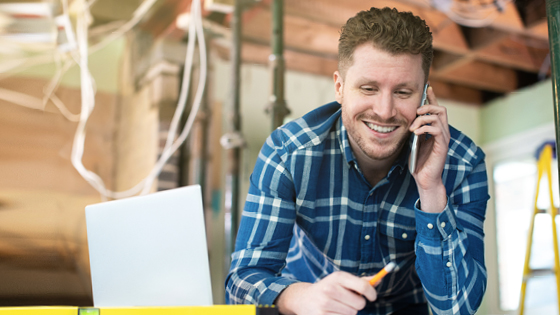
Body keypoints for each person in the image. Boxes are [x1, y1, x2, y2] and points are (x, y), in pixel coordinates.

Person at [226, 6, 489, 315]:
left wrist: (431, 189)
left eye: (403, 92)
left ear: (424, 97)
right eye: (368, 88)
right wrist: (299, 298)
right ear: (340, 87)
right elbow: (242, 283)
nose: (385, 110)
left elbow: (458, 308)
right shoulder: (288, 152)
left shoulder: (462, 163)